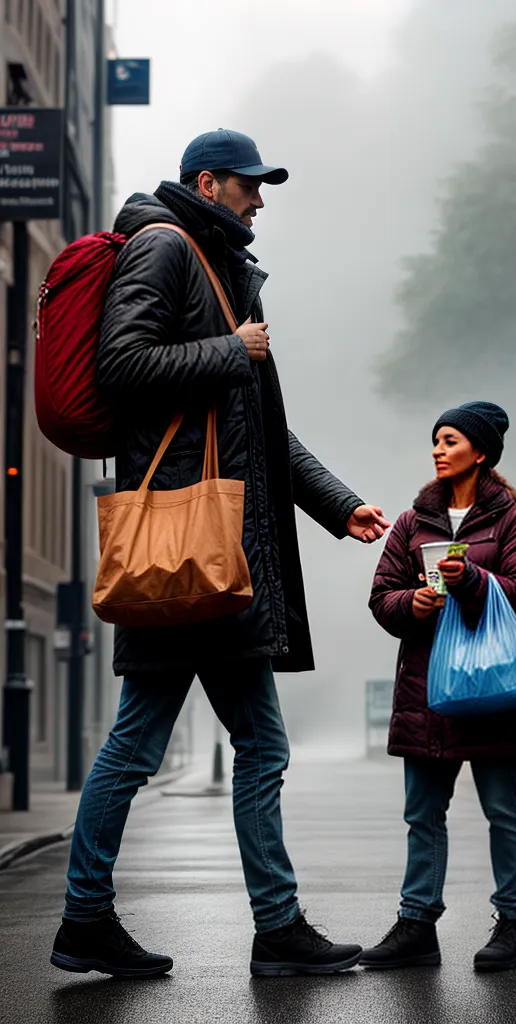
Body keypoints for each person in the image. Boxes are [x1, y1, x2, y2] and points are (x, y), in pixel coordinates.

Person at [51, 130, 391, 980]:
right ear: (208, 182)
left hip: (219, 551)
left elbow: (261, 425)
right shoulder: (166, 251)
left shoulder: (221, 266)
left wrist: (338, 505)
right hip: (187, 543)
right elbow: (121, 363)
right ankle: (115, 917)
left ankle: (255, 926)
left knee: (229, 746)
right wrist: (228, 349)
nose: (260, 199)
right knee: (147, 746)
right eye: (249, 185)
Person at [364, 402, 516, 973]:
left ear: (481, 451)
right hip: (427, 690)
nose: (438, 450)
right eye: (435, 441)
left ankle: (512, 927)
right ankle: (417, 925)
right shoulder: (412, 521)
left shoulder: (512, 519)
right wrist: (410, 604)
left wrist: (473, 581)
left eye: (450, 440)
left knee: (503, 808)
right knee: (422, 812)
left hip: (490, 688)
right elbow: (381, 597)